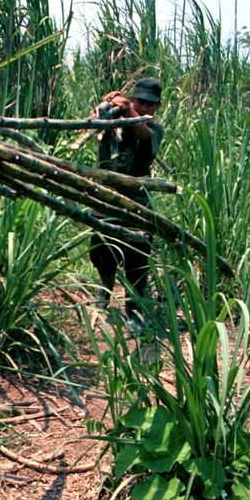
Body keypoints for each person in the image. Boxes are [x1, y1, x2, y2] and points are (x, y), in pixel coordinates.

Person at [87, 77, 164, 321]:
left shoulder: (154, 129)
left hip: (136, 203)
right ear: (132, 99)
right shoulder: (114, 120)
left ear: (157, 107)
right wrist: (108, 103)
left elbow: (141, 133)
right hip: (106, 200)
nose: (144, 108)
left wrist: (127, 109)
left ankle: (133, 308)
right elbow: (94, 120)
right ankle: (105, 290)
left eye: (149, 105)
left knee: (137, 260)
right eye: (139, 102)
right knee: (102, 252)